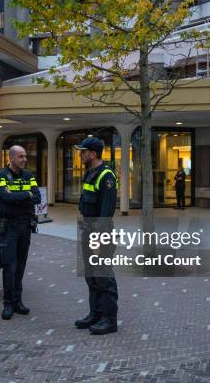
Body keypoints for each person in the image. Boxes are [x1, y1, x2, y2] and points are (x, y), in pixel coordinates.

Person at [74, 137, 119, 335]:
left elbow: (106, 213)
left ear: (93, 154)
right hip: (88, 232)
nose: (81, 154)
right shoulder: (90, 173)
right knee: (91, 276)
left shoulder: (106, 176)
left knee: (103, 277)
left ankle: (109, 319)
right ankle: (96, 314)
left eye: (83, 151)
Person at [0, 145, 40, 320]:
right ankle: (8, 304)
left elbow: (37, 197)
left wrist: (18, 195)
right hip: (8, 227)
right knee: (9, 266)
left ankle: (18, 301)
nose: (24, 160)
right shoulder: (1, 175)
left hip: (25, 226)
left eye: (25, 156)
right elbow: (4, 198)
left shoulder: (29, 175)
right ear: (11, 158)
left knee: (21, 265)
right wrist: (25, 195)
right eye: (20, 157)